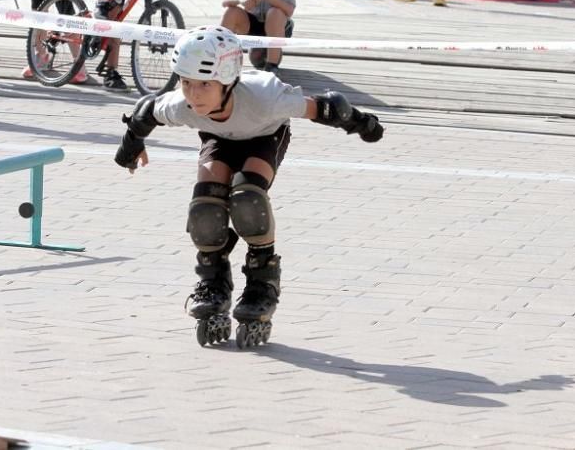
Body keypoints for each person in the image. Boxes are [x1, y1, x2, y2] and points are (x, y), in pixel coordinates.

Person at [112, 25, 384, 348]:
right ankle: (212, 282)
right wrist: (129, 150)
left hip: (264, 137)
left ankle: (261, 284)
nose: (193, 94)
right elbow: (146, 112)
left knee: (247, 199)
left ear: (227, 81)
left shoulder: (266, 97)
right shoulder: (182, 104)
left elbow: (326, 107)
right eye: (185, 83)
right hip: (219, 140)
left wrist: (362, 122)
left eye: (203, 85)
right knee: (205, 208)